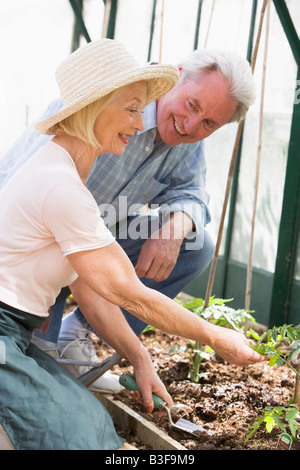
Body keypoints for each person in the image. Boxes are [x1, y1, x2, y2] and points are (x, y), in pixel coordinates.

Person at [0, 47, 258, 395]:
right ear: (178, 75)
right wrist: (209, 335)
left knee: (196, 244)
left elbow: (192, 193)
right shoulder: (94, 107)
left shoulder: (184, 139)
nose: (191, 126)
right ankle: (48, 344)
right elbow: (32, 210)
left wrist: (174, 227)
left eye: (209, 123)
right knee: (36, 378)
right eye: (192, 106)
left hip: (87, 238)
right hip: (34, 249)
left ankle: (76, 335)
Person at [0, 38, 182, 450]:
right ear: (94, 106)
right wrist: (219, 339)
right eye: (132, 109)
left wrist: (138, 356)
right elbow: (127, 293)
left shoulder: (63, 167)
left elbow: (91, 286)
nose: (139, 125)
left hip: (14, 330)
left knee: (93, 424)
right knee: (68, 436)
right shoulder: (60, 185)